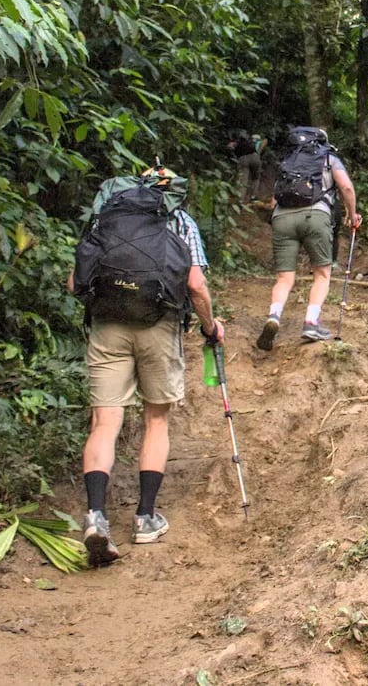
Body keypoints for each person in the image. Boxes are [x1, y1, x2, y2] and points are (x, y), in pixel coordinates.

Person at [67, 165, 224, 566]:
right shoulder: (180, 220)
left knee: (104, 423)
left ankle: (96, 518)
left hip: (107, 327)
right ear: (173, 190)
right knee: (156, 420)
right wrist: (210, 326)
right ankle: (145, 518)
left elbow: (74, 283)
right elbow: (194, 284)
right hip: (159, 324)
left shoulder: (107, 215)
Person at [256, 131, 361, 349]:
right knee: (322, 274)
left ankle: (274, 316)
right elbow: (347, 188)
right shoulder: (329, 158)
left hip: (282, 217)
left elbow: (275, 198)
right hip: (316, 216)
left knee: (284, 278)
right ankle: (311, 322)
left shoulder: (288, 162)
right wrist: (352, 215)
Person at [228, 130, 261, 204]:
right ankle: (254, 197)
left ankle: (240, 199)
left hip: (243, 159)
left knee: (243, 180)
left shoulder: (235, 143)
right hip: (255, 158)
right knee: (255, 178)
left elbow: (230, 149)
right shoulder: (251, 142)